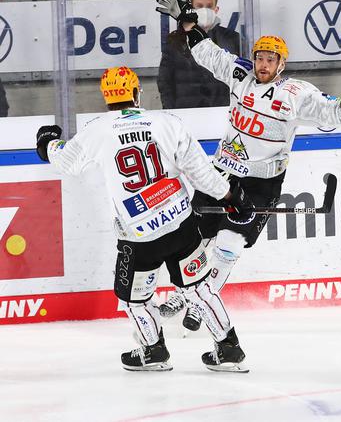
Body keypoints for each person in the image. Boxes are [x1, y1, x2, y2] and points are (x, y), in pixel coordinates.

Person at [154, 0, 341, 331]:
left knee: (230, 241)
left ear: (281, 64)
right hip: (222, 172)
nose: (262, 64)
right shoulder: (239, 73)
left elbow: (331, 112)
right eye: (260, 57)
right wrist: (187, 23)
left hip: (262, 181)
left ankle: (203, 301)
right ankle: (184, 293)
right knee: (195, 237)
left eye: (270, 60)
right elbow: (207, 53)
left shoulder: (296, 93)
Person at [35, 66, 255, 373]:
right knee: (199, 288)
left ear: (106, 97)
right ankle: (229, 347)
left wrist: (48, 143)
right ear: (137, 92)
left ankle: (153, 351)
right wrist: (231, 198)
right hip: (181, 226)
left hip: (139, 237)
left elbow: (64, 161)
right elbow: (201, 172)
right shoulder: (168, 123)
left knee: (135, 300)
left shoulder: (97, 130)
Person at [157, 0, 240, 109]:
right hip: (185, 113)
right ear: (191, 8)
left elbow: (240, 78)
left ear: (216, 9)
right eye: (199, 6)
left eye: (209, 6)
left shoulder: (232, 38)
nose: (204, 11)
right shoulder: (174, 39)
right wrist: (170, 111)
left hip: (222, 112)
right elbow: (165, 81)